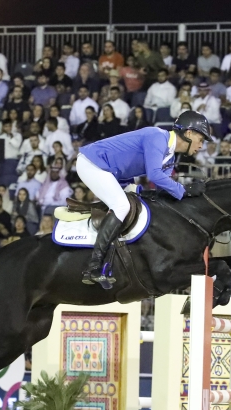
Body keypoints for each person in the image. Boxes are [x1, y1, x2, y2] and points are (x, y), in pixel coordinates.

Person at [75, 110, 210, 285]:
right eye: (201, 140)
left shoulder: (169, 154)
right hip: (93, 163)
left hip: (115, 174)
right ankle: (93, 266)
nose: (201, 146)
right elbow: (154, 175)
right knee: (122, 206)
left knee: (137, 202)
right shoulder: (157, 136)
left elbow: (163, 186)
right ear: (189, 133)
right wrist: (184, 190)